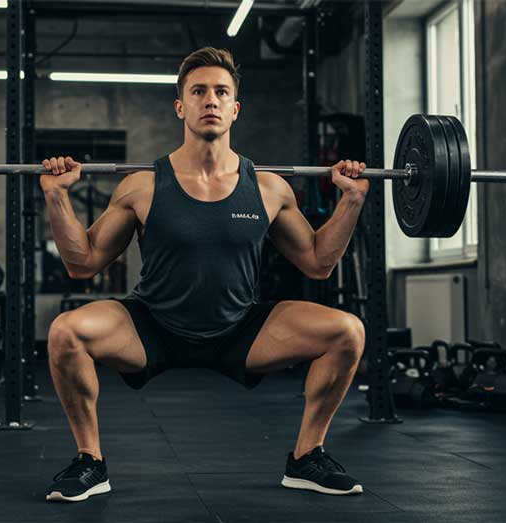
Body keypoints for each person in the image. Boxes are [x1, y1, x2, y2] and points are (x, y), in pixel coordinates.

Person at [40, 47, 369, 502]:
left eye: (220, 92)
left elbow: (318, 261)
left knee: (347, 332)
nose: (209, 100)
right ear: (181, 106)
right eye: (198, 91)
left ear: (235, 108)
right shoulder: (143, 185)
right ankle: (89, 462)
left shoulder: (270, 188)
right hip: (151, 324)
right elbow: (83, 263)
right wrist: (57, 197)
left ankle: (307, 457)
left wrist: (351, 200)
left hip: (240, 328)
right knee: (65, 334)